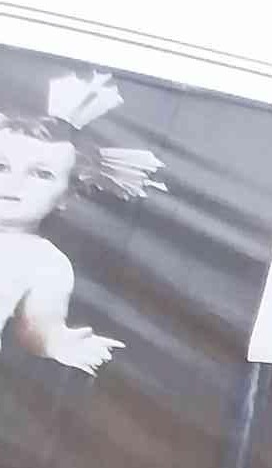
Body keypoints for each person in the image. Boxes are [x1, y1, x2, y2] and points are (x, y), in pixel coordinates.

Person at [0, 68, 163, 374]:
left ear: (67, 195)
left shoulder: (44, 262)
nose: (14, 183)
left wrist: (55, 342)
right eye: (1, 166)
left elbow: (38, 326)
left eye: (40, 174)